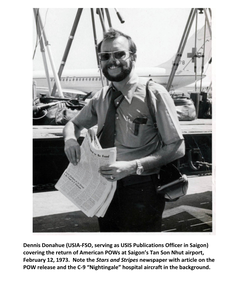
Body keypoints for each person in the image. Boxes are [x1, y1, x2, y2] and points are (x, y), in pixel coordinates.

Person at [63, 28, 185, 232]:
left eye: (119, 54)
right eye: (105, 56)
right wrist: (70, 141)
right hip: (105, 189)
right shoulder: (101, 97)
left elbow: (177, 147)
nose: (112, 61)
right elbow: (73, 124)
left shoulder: (153, 93)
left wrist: (133, 166)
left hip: (141, 189)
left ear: (133, 57)